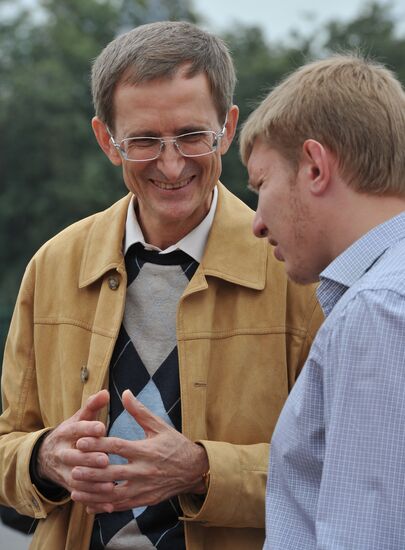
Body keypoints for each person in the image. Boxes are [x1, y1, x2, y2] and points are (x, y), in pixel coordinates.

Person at [0, 21, 322, 550]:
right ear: (107, 140)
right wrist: (43, 458)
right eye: (145, 141)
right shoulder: (52, 265)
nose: (171, 166)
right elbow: (8, 445)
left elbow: (342, 466)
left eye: (192, 136)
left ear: (229, 125)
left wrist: (201, 470)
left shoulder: (297, 271)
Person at [240, 53, 405, 549]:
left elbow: (365, 535)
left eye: (261, 185)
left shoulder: (377, 309)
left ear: (314, 167)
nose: (256, 223)